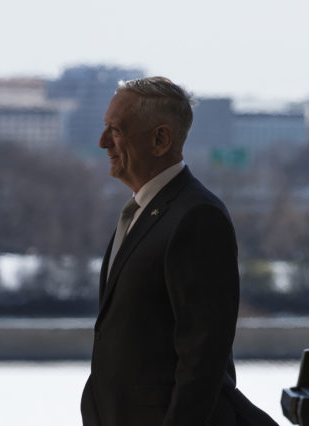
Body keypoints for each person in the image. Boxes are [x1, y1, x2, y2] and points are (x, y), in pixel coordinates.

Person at [80, 77, 277, 426]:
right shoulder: (145, 211)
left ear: (160, 139)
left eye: (115, 130)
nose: (102, 142)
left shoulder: (197, 217)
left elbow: (202, 361)